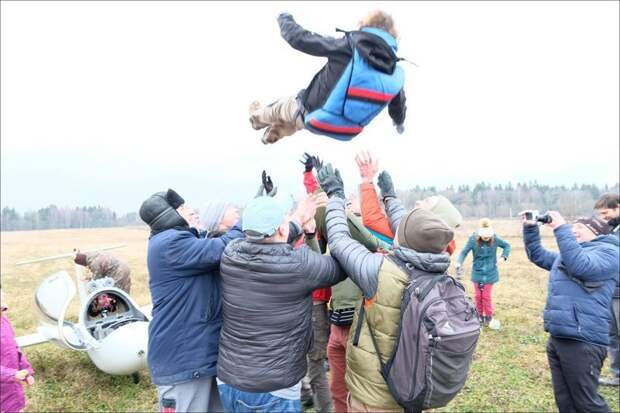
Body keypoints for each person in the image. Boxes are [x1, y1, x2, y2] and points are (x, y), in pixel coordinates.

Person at [317, 163, 455, 412]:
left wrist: (336, 196)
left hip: (375, 400)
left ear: (402, 238)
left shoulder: (380, 272)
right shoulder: (441, 275)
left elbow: (338, 240)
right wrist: (390, 197)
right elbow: (412, 228)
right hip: (413, 392)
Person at [216, 193, 346, 413]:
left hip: (228, 379)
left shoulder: (231, 253)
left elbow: (269, 240)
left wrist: (297, 220)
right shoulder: (298, 264)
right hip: (273, 388)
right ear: (282, 230)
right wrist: (324, 223)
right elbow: (340, 266)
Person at [139, 188, 244, 413]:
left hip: (197, 359)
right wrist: (253, 218)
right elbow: (222, 248)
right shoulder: (170, 243)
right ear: (170, 215)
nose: (192, 212)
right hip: (183, 362)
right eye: (184, 208)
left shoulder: (179, 241)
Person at [250, 10, 406, 144]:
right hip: (345, 131)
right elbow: (398, 107)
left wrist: (283, 15)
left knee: (282, 108)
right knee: (299, 120)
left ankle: (255, 119)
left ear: (366, 27)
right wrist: (399, 124)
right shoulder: (392, 68)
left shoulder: (349, 46)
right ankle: (275, 132)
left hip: (312, 112)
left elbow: (299, 39)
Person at [523, 211, 619, 413]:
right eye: (572, 227)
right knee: (565, 400)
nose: (573, 231)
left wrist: (560, 228)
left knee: (587, 403)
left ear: (596, 231)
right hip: (559, 335)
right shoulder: (571, 255)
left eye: (579, 228)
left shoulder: (610, 253)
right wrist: (530, 227)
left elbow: (581, 266)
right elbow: (538, 255)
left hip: (584, 340)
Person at [354, 151, 461, 253]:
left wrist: (367, 181)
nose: (418, 202)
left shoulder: (409, 236)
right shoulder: (437, 247)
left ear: (434, 216)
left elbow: (373, 219)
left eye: (426, 202)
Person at [456, 218, 511, 328]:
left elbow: (507, 246)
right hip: (477, 272)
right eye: (484, 236)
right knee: (477, 296)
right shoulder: (473, 240)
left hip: (491, 272)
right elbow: (464, 252)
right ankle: (479, 316)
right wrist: (459, 262)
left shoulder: (495, 239)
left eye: (488, 236)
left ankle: (489, 317)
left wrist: (503, 257)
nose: (487, 238)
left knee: (486, 296)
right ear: (479, 234)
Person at [594, 192, 620, 387]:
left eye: (606, 212)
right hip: (611, 290)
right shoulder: (611, 229)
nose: (603, 217)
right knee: (612, 335)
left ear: (618, 207)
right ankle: (618, 376)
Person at [1, 287, 35, 413]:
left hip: (12, 390)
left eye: (2, 309)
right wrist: (12, 374)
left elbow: (14, 349)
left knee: (15, 407)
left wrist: (26, 371)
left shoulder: (4, 322)